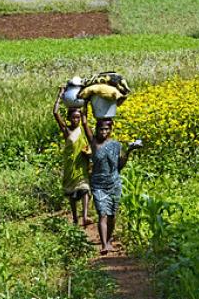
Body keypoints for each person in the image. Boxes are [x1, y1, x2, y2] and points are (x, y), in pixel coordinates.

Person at [81, 103, 139, 255]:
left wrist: (129, 151)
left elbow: (119, 166)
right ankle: (104, 244)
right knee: (102, 214)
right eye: (101, 129)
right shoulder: (94, 143)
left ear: (110, 130)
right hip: (98, 183)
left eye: (107, 129)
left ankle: (109, 240)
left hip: (114, 182)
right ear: (97, 130)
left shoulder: (116, 145)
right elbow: (84, 122)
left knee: (112, 215)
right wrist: (85, 105)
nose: (104, 132)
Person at [53, 88, 93, 226]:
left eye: (78, 117)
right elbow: (55, 112)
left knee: (85, 188)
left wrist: (86, 100)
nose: (76, 120)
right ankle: (75, 217)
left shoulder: (82, 129)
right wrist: (60, 96)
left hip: (82, 162)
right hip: (71, 164)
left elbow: (86, 118)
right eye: (73, 117)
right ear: (69, 118)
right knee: (71, 193)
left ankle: (85, 216)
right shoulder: (66, 130)